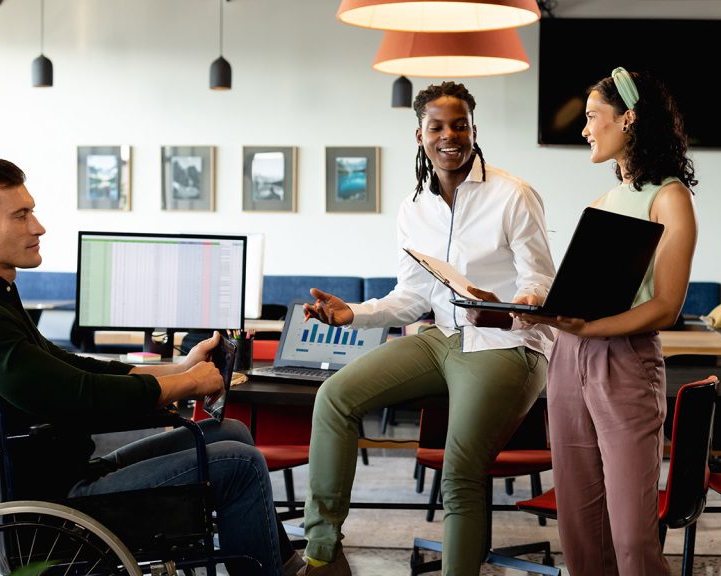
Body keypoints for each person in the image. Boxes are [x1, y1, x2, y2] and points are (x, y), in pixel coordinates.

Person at [0, 156, 304, 576]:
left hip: (66, 473)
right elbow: (76, 396)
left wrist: (180, 369)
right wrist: (187, 385)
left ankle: (285, 566)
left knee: (230, 431)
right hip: (58, 505)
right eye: (22, 214)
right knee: (240, 463)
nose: (38, 226)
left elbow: (72, 368)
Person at [296, 81, 555, 576]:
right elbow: (412, 297)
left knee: (460, 473)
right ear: (420, 135)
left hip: (507, 345)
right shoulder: (414, 208)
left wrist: (503, 306)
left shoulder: (512, 195)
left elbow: (540, 283)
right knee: (334, 397)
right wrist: (353, 313)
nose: (449, 135)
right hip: (441, 339)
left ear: (474, 130)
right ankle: (323, 555)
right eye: (437, 126)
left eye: (460, 125)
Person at [513, 68, 698, 575]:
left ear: (630, 119)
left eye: (594, 117)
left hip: (624, 360)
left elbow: (666, 306)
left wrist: (591, 329)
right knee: (580, 527)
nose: (585, 129)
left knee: (632, 536)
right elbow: (578, 292)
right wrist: (530, 301)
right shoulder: (601, 203)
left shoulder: (670, 198)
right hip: (568, 360)